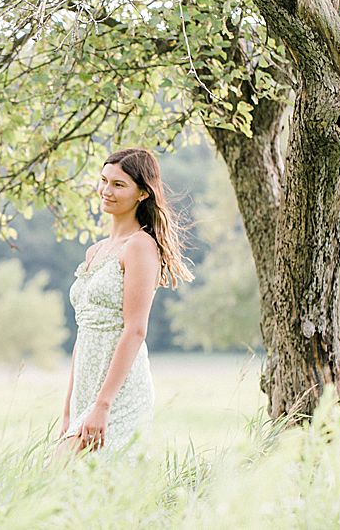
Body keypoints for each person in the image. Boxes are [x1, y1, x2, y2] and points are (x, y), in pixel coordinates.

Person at [57, 147, 193, 456]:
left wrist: (102, 405)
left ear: (143, 193)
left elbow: (134, 330)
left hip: (118, 393)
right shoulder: (95, 251)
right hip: (86, 388)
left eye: (118, 185)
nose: (106, 190)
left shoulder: (140, 247)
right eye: (104, 180)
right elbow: (84, 332)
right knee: (72, 491)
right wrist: (68, 410)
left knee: (65, 478)